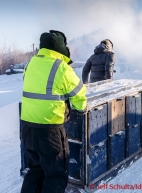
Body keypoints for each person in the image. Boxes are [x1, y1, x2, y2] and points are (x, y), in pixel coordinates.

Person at [20, 30, 87, 193]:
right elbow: (79, 94)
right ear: (60, 48)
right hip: (50, 131)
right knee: (55, 174)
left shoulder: (31, 64)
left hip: (28, 128)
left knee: (35, 171)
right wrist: (82, 108)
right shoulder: (61, 68)